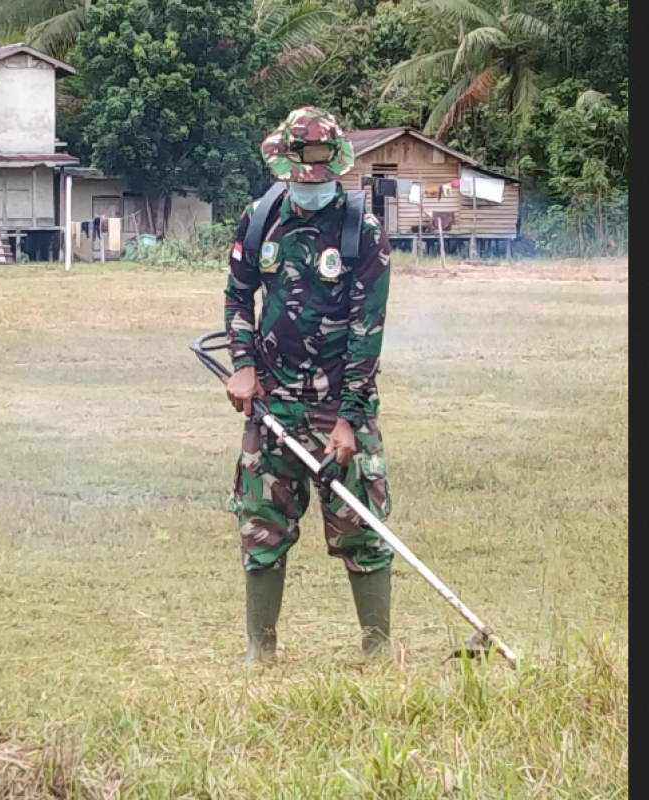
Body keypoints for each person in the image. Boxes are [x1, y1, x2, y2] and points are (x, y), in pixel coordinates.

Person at [223, 106, 394, 663]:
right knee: (262, 526)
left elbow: (369, 333)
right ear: (283, 169)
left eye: (320, 180)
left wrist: (348, 418)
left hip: (337, 406)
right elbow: (237, 296)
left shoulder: (361, 231)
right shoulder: (260, 218)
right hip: (272, 403)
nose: (310, 190)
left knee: (361, 528)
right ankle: (260, 650)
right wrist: (243, 363)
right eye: (300, 180)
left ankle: (377, 649)